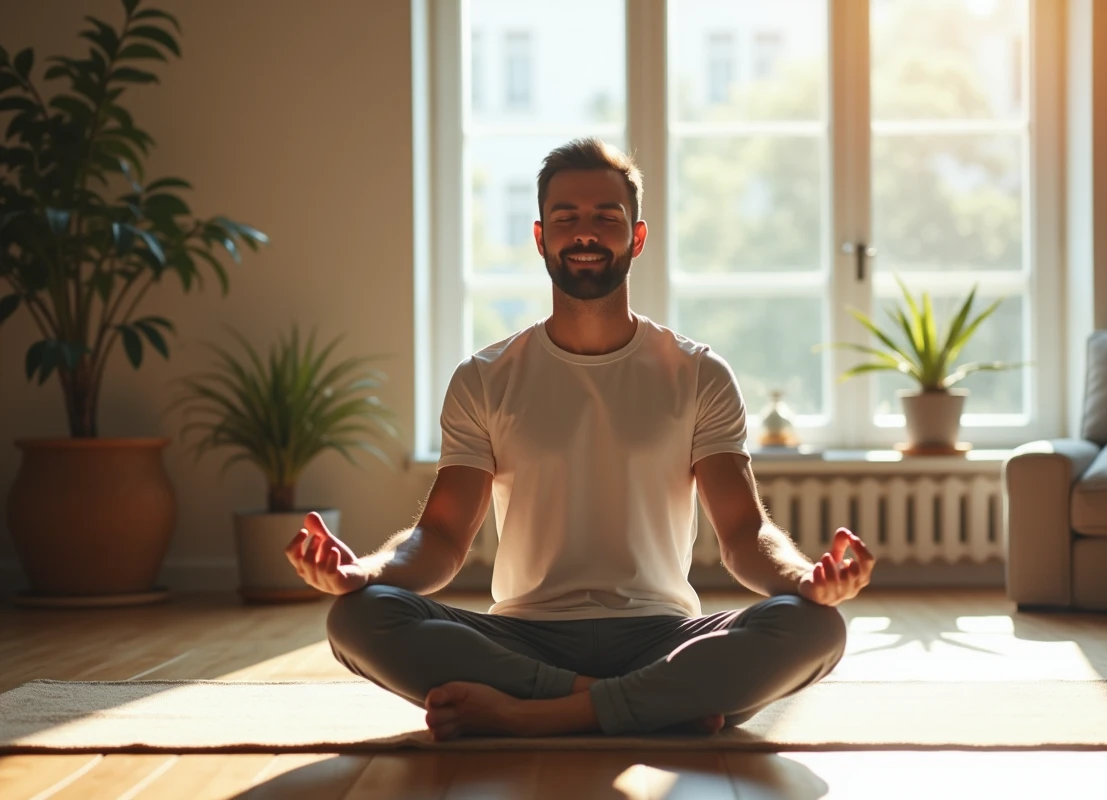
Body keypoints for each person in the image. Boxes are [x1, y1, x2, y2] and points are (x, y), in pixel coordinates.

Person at [285, 137, 875, 741]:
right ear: (541, 238)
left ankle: (533, 715)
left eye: (606, 218)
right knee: (359, 618)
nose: (585, 233)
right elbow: (440, 538)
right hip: (524, 638)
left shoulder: (700, 373)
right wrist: (366, 571)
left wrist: (805, 578)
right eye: (566, 218)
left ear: (636, 238)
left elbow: (744, 534)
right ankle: (639, 705)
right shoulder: (484, 378)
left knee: (817, 628)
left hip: (661, 633)